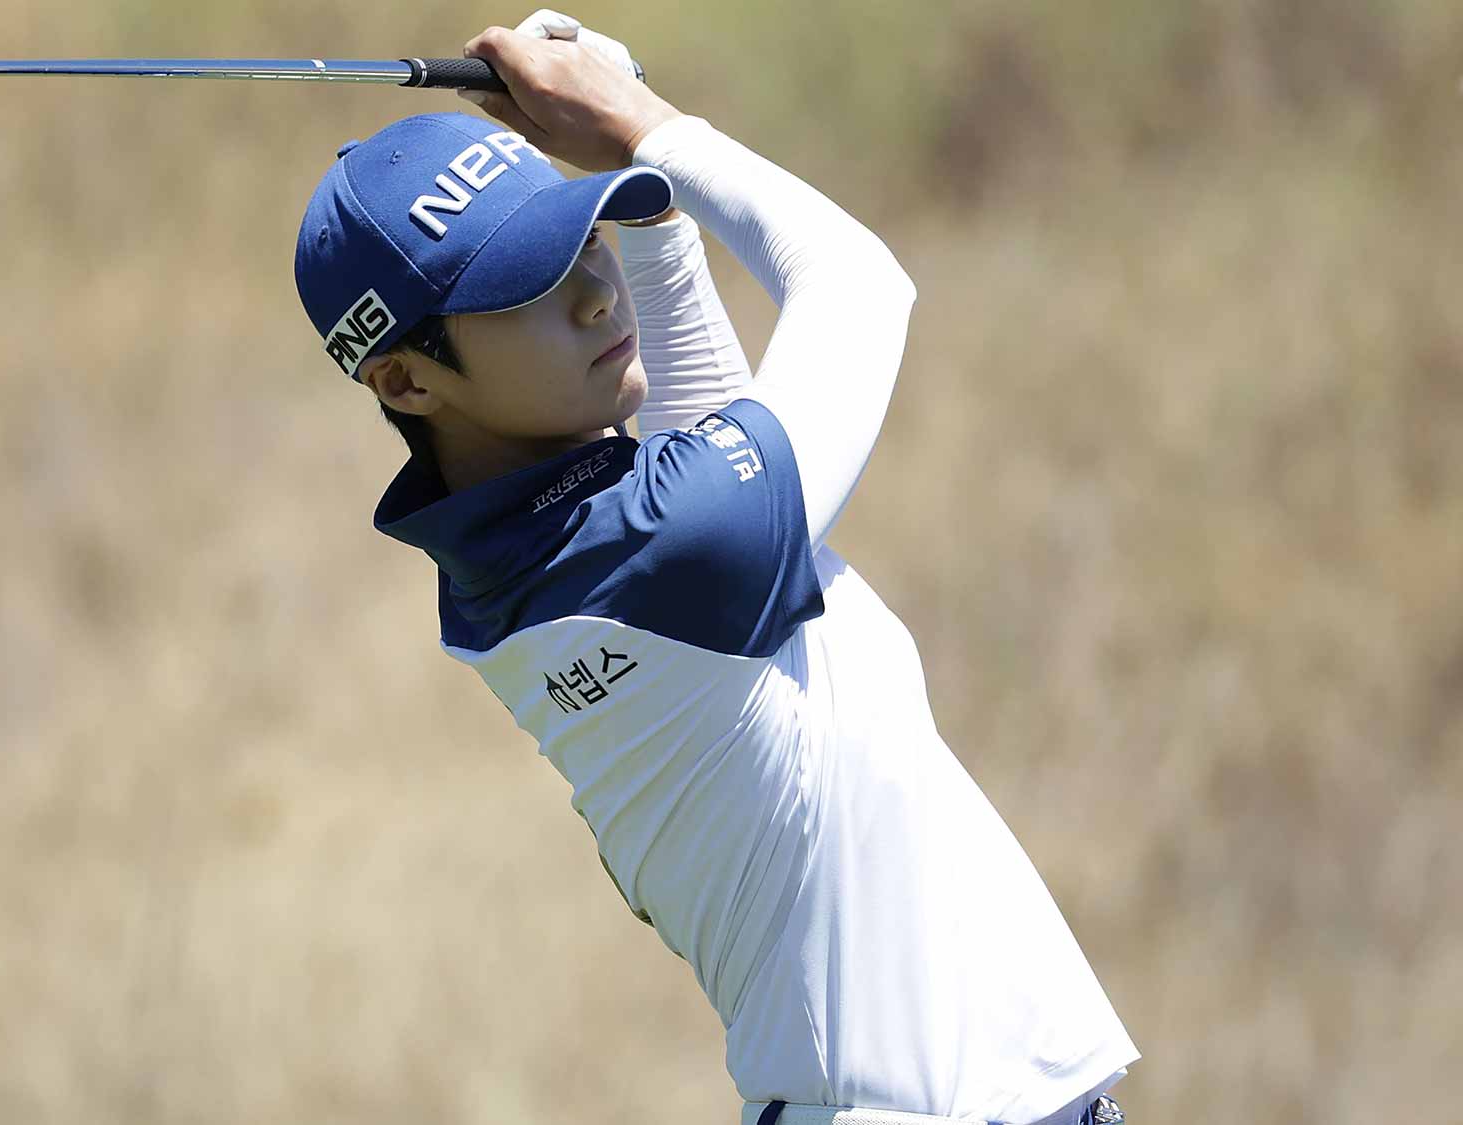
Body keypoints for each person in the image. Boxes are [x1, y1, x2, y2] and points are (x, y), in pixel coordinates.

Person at [291, 11, 1137, 1125]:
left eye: (582, 239)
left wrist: (636, 192)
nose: (594, 293)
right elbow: (862, 284)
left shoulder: (548, 554)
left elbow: (704, 426)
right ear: (406, 382)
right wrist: (646, 126)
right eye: (524, 286)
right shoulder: (655, 552)